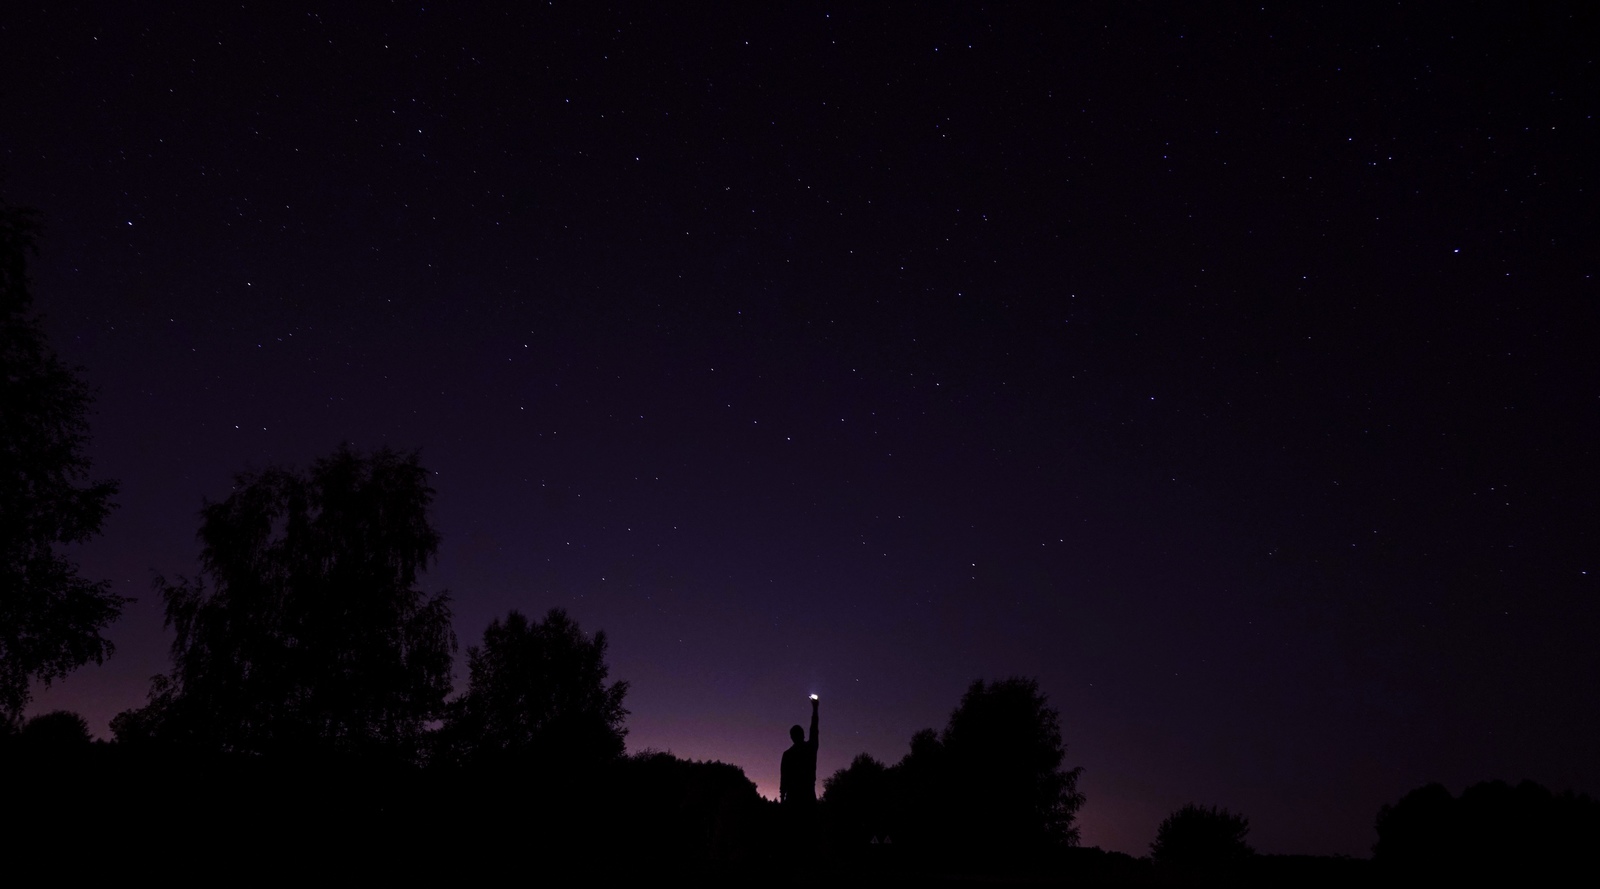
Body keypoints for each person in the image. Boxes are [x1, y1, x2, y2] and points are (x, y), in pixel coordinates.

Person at [780, 694, 820, 807]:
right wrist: (815, 709)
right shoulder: (810, 748)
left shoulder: (788, 754)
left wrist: (782, 799)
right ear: (803, 735)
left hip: (793, 799)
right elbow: (814, 729)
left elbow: (784, 779)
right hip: (808, 797)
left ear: (792, 738)